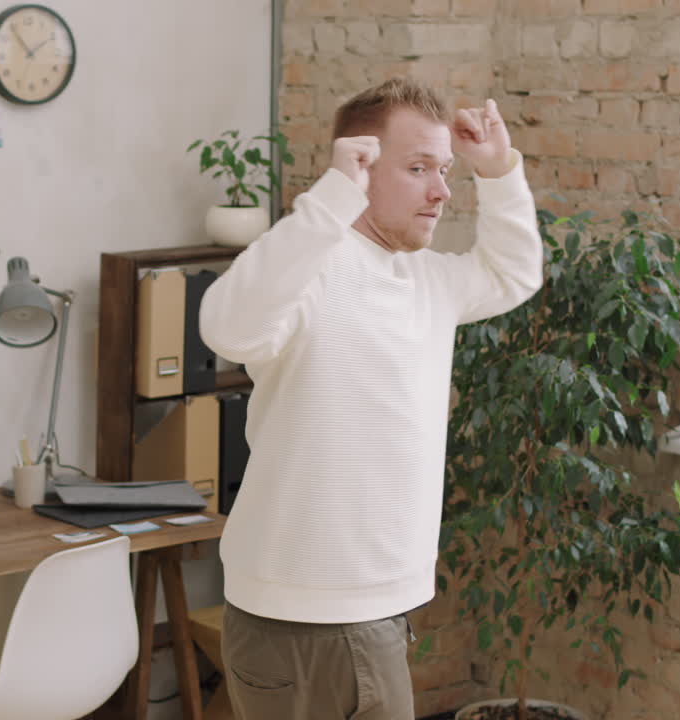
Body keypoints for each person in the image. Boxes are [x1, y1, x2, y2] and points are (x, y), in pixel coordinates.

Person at [198, 77, 544, 720]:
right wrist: (330, 201)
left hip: (369, 610)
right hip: (309, 617)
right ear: (359, 167)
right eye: (418, 169)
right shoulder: (311, 268)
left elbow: (513, 274)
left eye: (444, 170)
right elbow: (225, 327)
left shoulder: (427, 278)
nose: (441, 191)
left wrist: (498, 171)